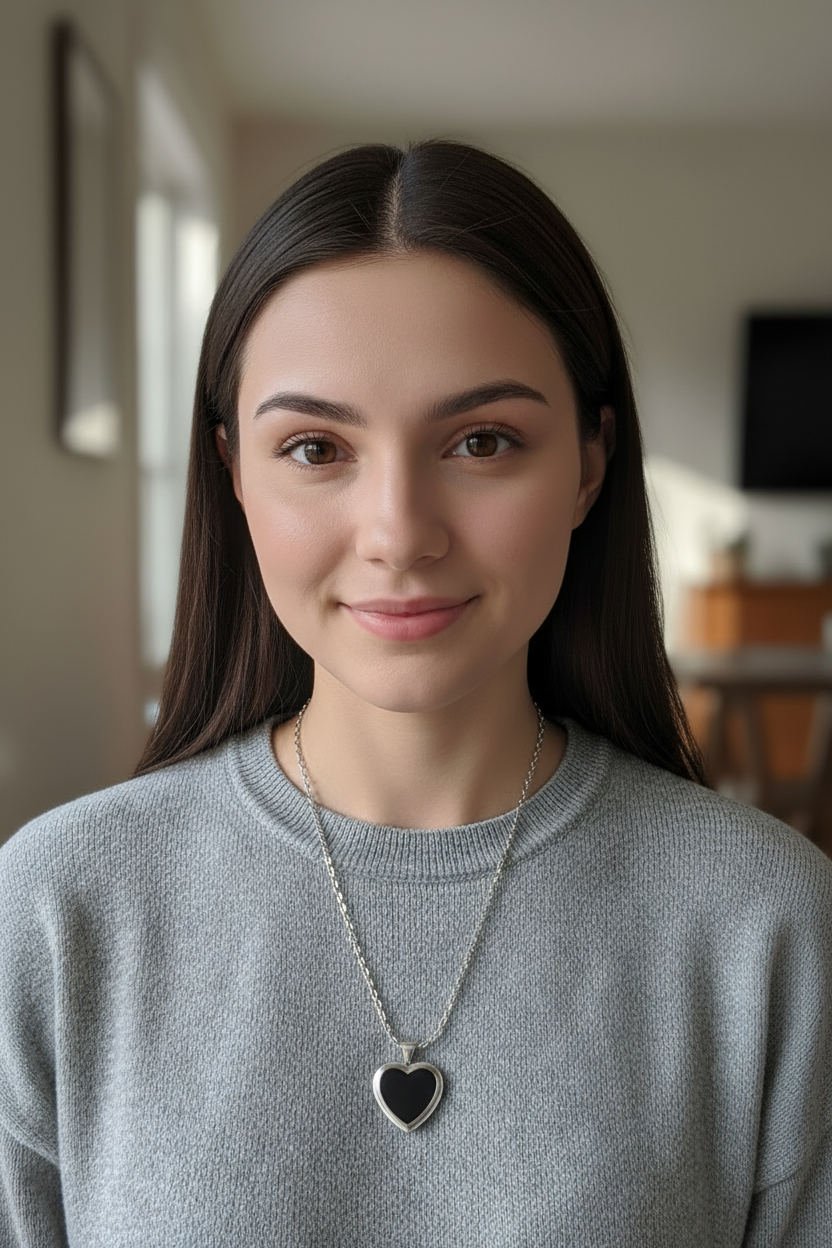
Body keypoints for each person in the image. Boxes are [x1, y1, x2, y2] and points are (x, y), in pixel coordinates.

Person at [1, 140, 830, 1247]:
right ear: (232, 473)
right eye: (313, 447)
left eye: (481, 441)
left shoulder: (769, 927)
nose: (399, 533)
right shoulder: (53, 913)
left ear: (589, 464)